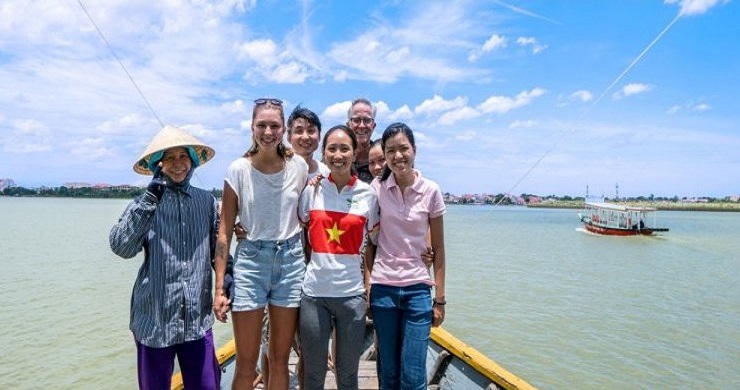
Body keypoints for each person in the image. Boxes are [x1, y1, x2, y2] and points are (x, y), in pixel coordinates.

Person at [109, 125, 220, 390]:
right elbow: (121, 247)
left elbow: (219, 252)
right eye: (169, 158)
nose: (178, 164)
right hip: (155, 319)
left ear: (193, 161)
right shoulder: (144, 202)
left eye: (183, 156)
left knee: (207, 386)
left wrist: (226, 285)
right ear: (159, 165)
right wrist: (150, 198)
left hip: (196, 318)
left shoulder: (207, 202)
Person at [213, 98, 308, 390]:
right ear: (252, 127)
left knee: (279, 360)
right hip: (251, 262)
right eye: (262, 125)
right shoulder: (238, 169)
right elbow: (225, 231)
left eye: (275, 125)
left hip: (290, 261)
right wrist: (219, 288)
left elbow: (308, 211)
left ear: (284, 129)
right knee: (245, 363)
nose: (268, 132)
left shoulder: (299, 166)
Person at [364, 122, 446, 390]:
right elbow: (367, 237)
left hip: (418, 290)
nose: (398, 156)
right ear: (384, 156)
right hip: (383, 289)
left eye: (403, 149)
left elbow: (440, 248)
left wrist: (440, 300)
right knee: (388, 373)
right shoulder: (376, 189)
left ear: (414, 150)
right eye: (391, 151)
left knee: (413, 377)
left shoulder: (431, 190)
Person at [298, 125, 380, 390]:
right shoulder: (311, 191)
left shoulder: (368, 195)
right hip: (314, 296)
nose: (338, 154)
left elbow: (378, 242)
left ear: (355, 153)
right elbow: (293, 231)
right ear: (324, 153)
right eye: (331, 148)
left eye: (345, 148)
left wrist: (424, 250)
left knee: (347, 376)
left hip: (351, 297)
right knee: (313, 375)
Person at [288, 105, 330, 179]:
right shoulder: (279, 169)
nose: (305, 137)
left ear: (319, 136)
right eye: (299, 131)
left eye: (310, 131)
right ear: (289, 137)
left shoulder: (326, 173)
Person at [346, 98, 377, 183]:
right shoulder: (339, 158)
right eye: (356, 120)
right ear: (348, 125)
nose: (362, 125)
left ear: (373, 126)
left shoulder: (384, 159)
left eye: (367, 120)